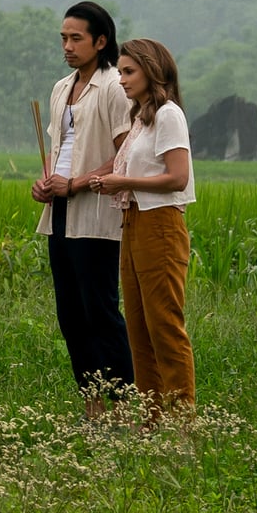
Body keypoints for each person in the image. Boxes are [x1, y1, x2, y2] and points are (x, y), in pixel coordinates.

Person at [30, 1, 136, 418]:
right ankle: (93, 403)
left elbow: (126, 154)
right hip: (61, 214)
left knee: (100, 310)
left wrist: (75, 183)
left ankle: (127, 403)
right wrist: (47, 182)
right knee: (71, 314)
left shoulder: (114, 86)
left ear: (101, 41)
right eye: (63, 38)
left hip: (98, 216)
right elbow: (61, 150)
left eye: (76, 38)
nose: (68, 46)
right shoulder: (62, 87)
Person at [88, 38, 197, 417]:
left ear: (153, 71)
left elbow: (178, 177)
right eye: (120, 72)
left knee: (164, 323)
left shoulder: (168, 114)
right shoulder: (142, 118)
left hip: (160, 222)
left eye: (129, 72)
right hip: (133, 219)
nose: (121, 80)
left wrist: (125, 183)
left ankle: (181, 417)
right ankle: (153, 416)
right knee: (138, 325)